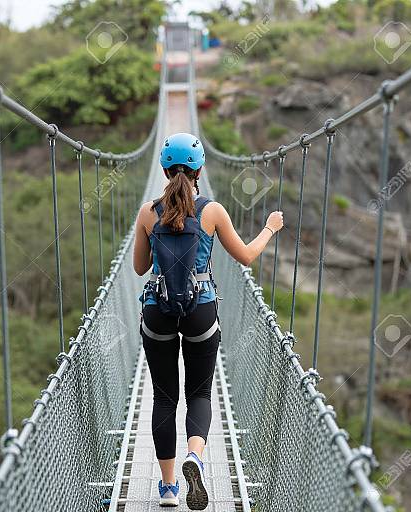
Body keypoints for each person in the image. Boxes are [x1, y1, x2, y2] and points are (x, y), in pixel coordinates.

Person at [133, 132, 283, 509]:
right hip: (200, 308)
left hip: (158, 310)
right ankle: (195, 456)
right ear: (200, 169)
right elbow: (246, 257)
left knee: (164, 398)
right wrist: (270, 228)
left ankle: (168, 489)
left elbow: (139, 268)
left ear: (165, 169)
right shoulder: (211, 211)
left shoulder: (147, 212)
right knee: (199, 393)